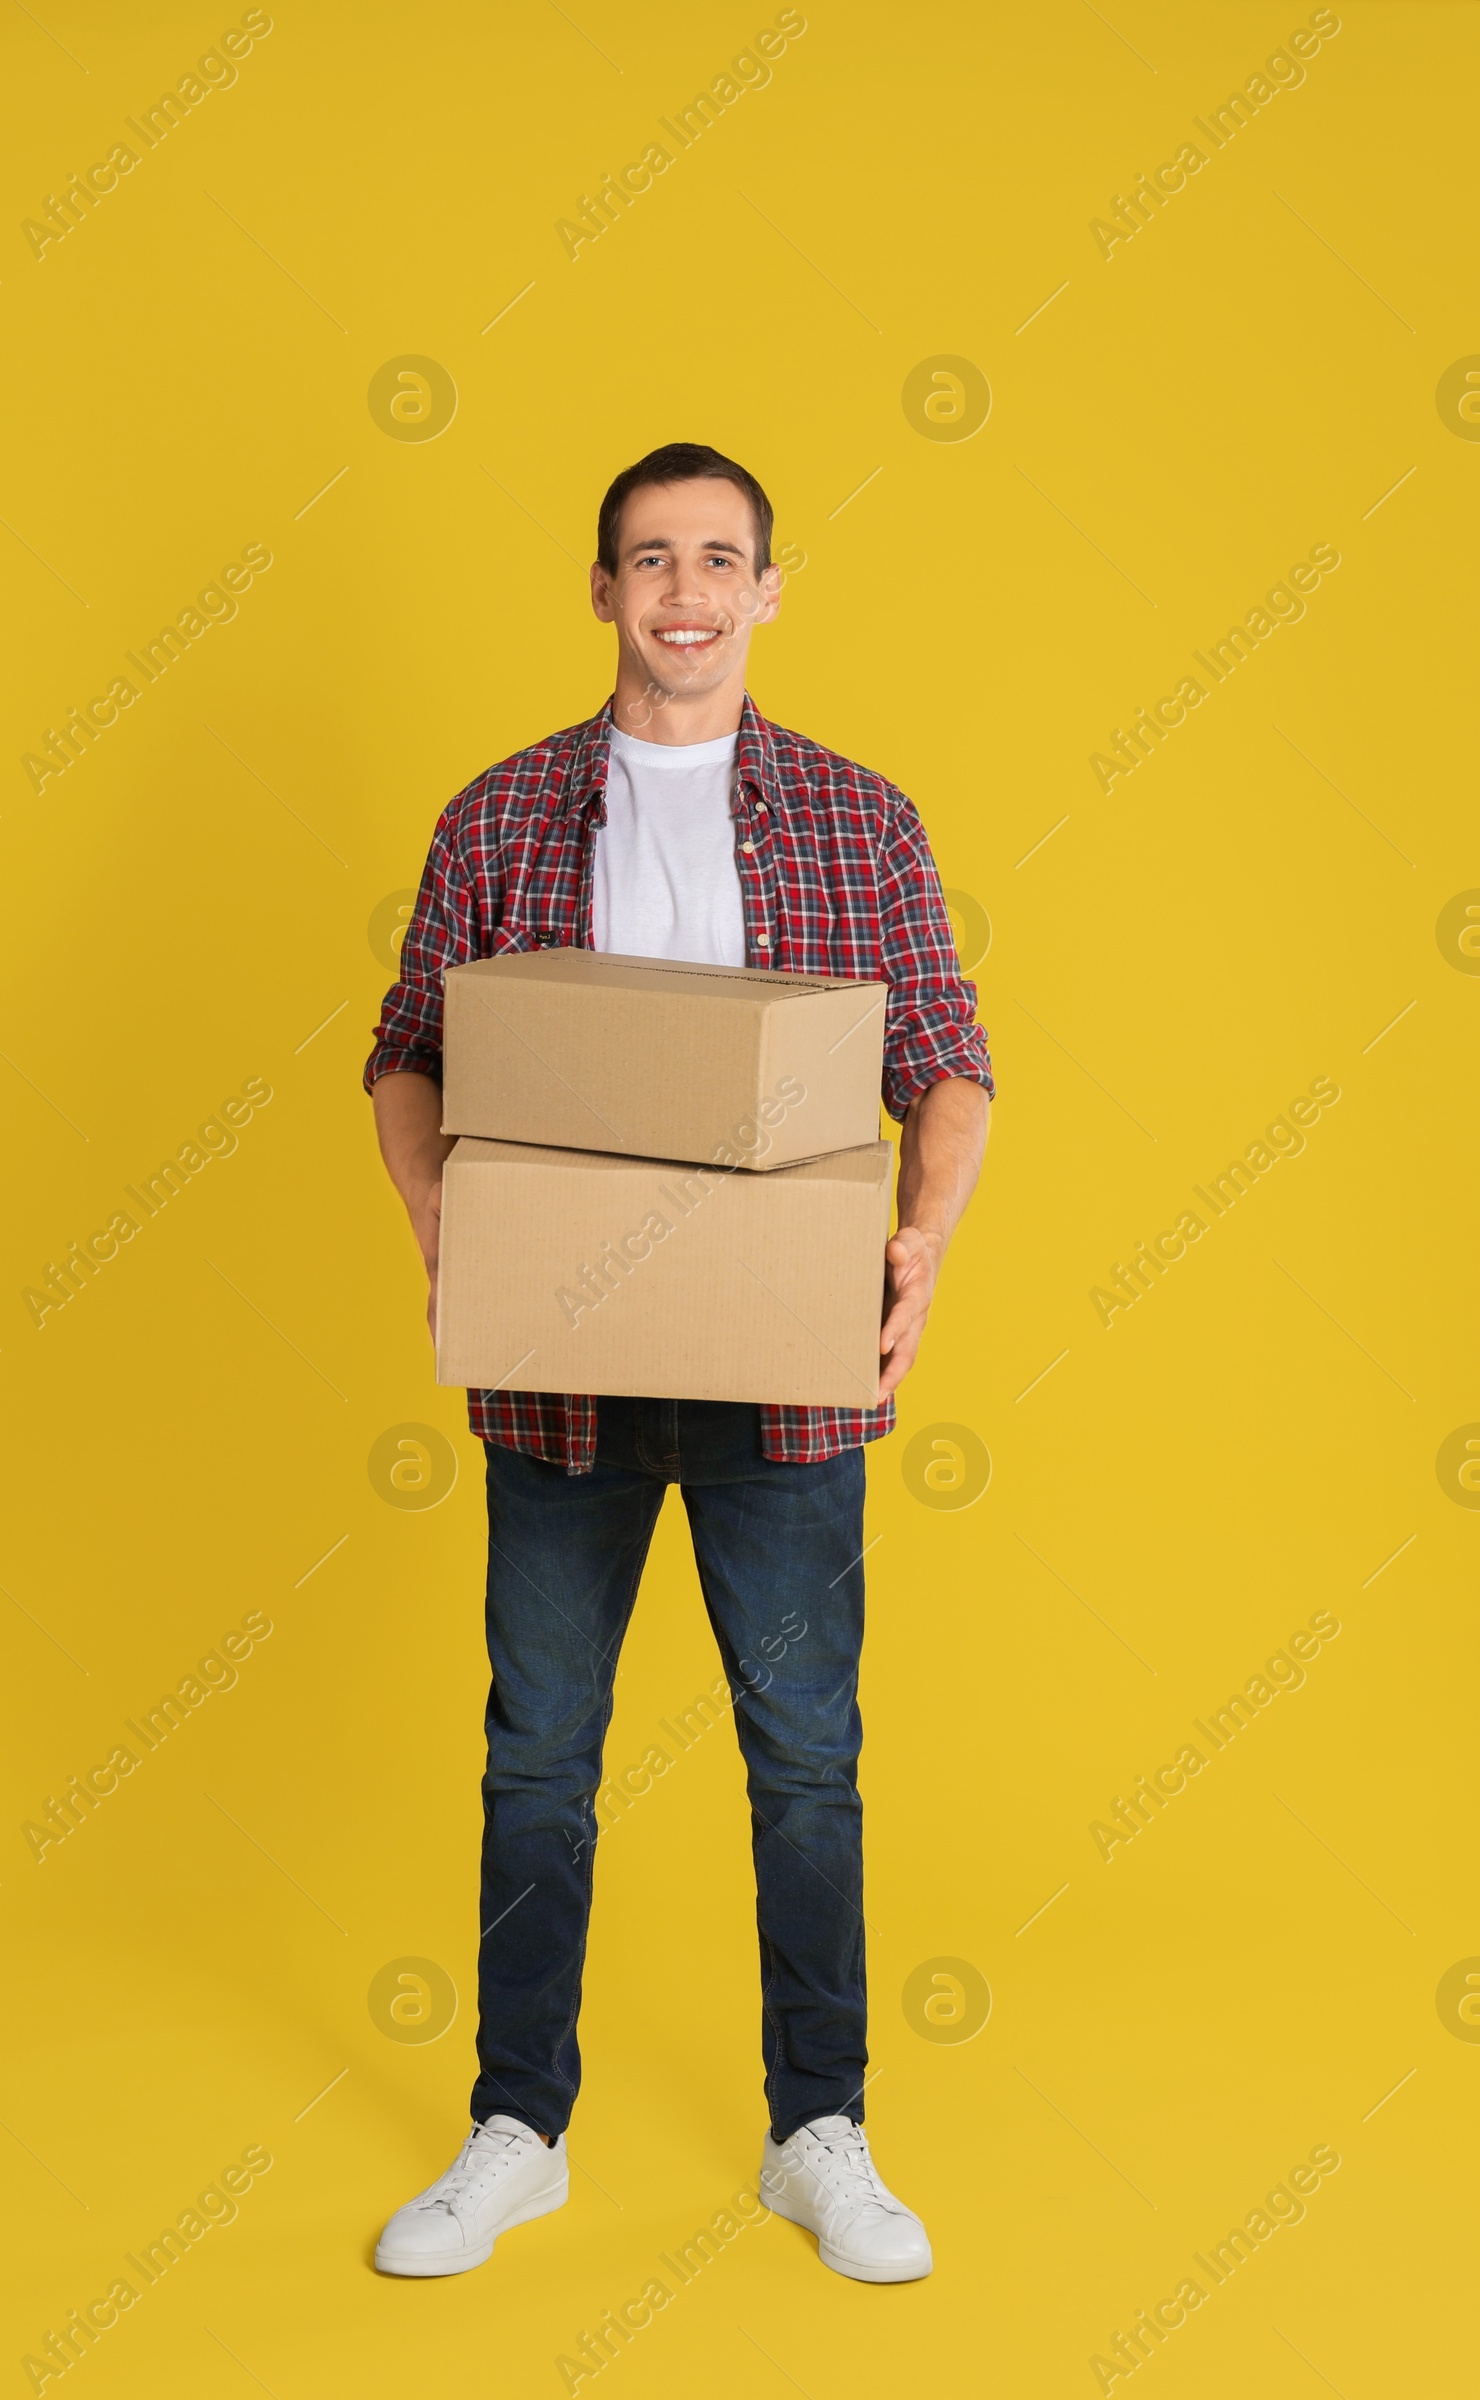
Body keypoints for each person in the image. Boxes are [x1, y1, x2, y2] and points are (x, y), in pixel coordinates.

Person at [365, 442, 993, 2283]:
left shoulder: (857, 819)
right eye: (653, 559)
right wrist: (437, 1222)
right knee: (538, 1756)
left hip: (788, 1376)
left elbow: (946, 1057)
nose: (689, 591)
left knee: (807, 1759)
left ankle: (822, 2130)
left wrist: (927, 1237)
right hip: (561, 1379)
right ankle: (516, 2128)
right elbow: (407, 1045)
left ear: (770, 590)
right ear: (603, 589)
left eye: (723, 559)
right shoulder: (499, 817)